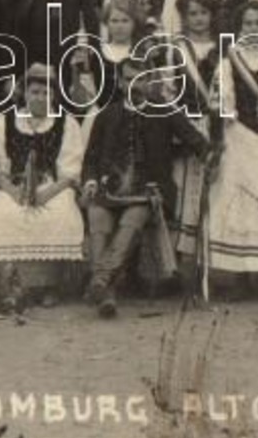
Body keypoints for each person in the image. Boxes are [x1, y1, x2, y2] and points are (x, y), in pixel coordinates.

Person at [80, 57, 208, 318]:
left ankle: (100, 280)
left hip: (148, 191)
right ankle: (107, 290)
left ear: (151, 81)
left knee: (132, 219)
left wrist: (211, 154)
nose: (135, 85)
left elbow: (198, 142)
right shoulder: (107, 114)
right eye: (129, 79)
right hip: (110, 188)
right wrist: (91, 181)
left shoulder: (165, 110)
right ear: (119, 82)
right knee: (97, 219)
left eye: (142, 79)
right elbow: (91, 157)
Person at [0, 64, 86, 313]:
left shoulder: (67, 122)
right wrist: (13, 191)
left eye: (46, 93)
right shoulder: (4, 121)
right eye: (35, 92)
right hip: (15, 186)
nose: (40, 98)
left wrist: (46, 193)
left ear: (54, 96)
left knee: (61, 214)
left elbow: (71, 171)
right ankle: (11, 285)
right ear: (25, 93)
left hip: (54, 186)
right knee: (4, 214)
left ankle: (50, 285)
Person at [206, 1, 258, 295]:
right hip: (239, 136)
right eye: (248, 24)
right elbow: (222, 101)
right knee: (241, 198)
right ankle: (240, 275)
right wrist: (229, 117)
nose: (253, 29)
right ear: (239, 28)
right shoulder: (229, 61)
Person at [167, 0, 222, 271]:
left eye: (203, 13)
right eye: (192, 14)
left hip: (213, 124)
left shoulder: (223, 48)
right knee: (184, 189)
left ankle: (207, 262)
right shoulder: (175, 49)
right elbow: (168, 91)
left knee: (212, 188)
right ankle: (180, 264)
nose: (198, 19)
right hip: (185, 127)